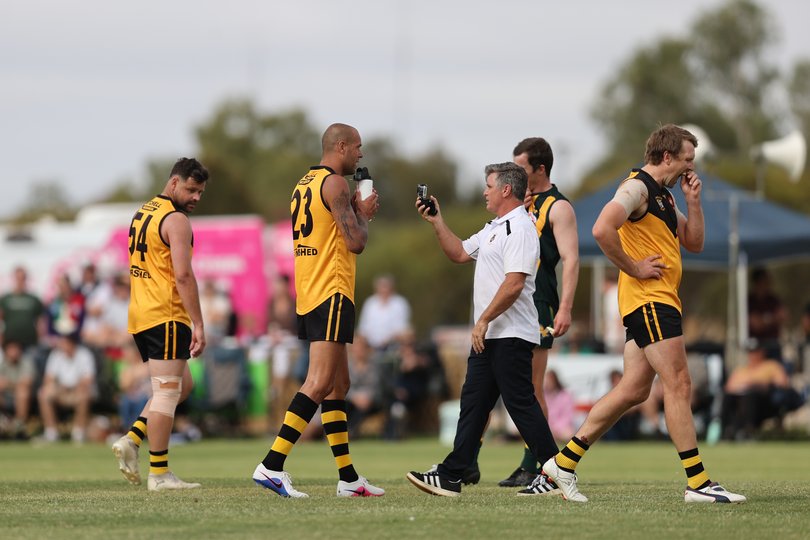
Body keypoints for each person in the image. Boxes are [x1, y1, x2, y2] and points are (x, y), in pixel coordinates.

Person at [542, 124, 745, 503]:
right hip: (650, 300)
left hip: (656, 301)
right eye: (687, 161)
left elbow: (695, 243)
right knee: (680, 384)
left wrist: (694, 201)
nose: (690, 169)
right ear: (666, 156)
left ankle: (564, 462)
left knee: (634, 389)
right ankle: (698, 483)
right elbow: (602, 229)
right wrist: (634, 267)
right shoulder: (636, 187)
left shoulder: (665, 197)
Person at [406, 162, 560, 498]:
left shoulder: (519, 228)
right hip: (490, 335)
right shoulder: (496, 226)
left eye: (488, 185)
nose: (484, 191)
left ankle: (554, 472)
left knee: (520, 404)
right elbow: (460, 252)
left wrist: (483, 319)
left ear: (506, 189)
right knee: (474, 404)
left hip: (510, 333)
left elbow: (515, 283)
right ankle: (451, 474)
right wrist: (437, 222)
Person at [251, 123, 384, 498]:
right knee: (320, 382)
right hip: (332, 289)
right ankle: (271, 466)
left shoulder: (303, 183)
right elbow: (355, 242)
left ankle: (348, 478)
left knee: (339, 385)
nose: (361, 155)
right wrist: (364, 214)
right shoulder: (336, 184)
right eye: (357, 147)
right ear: (340, 146)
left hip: (309, 290)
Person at [110, 157, 209, 491]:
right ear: (174, 183)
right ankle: (160, 474)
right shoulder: (176, 220)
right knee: (167, 393)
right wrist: (198, 322)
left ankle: (132, 438)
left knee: (184, 386)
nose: (195, 197)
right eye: (191, 189)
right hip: (166, 313)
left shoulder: (144, 211)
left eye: (200, 192)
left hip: (141, 314)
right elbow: (182, 274)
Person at [498, 137, 580, 488]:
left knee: (531, 388)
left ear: (540, 169)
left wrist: (565, 308)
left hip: (539, 304)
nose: (516, 174)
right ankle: (470, 460)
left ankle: (538, 464)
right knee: (505, 386)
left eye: (522, 169)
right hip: (513, 302)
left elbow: (572, 259)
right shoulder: (519, 205)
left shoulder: (558, 208)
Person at [721, 339, 803, 440]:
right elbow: (729, 388)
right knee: (728, 398)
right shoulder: (741, 370)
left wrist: (758, 383)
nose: (753, 355)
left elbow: (783, 383)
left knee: (751, 396)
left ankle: (749, 430)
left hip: (764, 401)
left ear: (762, 352)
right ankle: (725, 429)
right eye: (750, 352)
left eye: (755, 352)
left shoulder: (771, 366)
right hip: (740, 401)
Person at [37, 332, 96, 443]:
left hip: (77, 392)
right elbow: (48, 378)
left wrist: (73, 387)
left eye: (64, 343)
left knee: (84, 394)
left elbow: (88, 379)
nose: (62, 345)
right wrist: (58, 387)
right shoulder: (56, 354)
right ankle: (51, 432)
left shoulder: (85, 355)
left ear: (72, 343)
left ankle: (79, 433)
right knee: (44, 393)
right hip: (60, 392)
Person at [357, 274, 412, 352]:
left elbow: (402, 329)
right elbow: (363, 328)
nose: (384, 289)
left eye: (386, 286)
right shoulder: (370, 303)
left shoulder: (400, 303)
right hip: (370, 347)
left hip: (393, 346)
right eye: (382, 286)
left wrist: (388, 340)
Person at [0, 266, 45, 352]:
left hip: (30, 343)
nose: (20, 281)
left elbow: (40, 322)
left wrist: (40, 339)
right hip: (10, 344)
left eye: (23, 278)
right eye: (18, 278)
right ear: (14, 279)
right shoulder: (5, 299)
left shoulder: (34, 299)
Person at [747, 267, 787, 362]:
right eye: (765, 281)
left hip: (773, 347)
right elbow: (755, 324)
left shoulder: (773, 299)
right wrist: (772, 319)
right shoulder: (750, 301)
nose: (768, 284)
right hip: (756, 349)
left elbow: (783, 316)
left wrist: (764, 320)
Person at [0, 339, 35, 439]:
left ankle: (19, 427)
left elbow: (26, 382)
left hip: (23, 396)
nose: (13, 352)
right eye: (11, 349)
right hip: (5, 396)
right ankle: (2, 424)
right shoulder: (3, 364)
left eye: (16, 349)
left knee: (22, 392)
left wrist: (9, 384)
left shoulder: (26, 363)